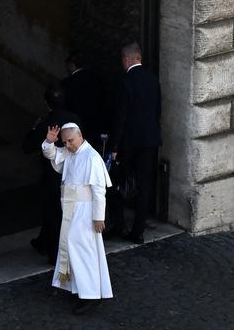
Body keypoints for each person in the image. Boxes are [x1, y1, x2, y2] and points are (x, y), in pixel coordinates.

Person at [42, 121, 113, 311]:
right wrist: (49, 143)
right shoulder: (70, 152)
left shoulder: (91, 157)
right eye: (64, 142)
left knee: (83, 250)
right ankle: (79, 290)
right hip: (71, 208)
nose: (67, 145)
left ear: (80, 136)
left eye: (70, 141)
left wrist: (99, 217)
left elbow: (99, 190)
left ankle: (91, 295)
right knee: (72, 247)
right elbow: (54, 157)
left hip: (85, 210)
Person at [110, 41, 162, 244]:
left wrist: (114, 145)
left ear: (126, 59)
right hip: (149, 141)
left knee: (117, 182)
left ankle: (119, 224)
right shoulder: (153, 80)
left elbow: (120, 118)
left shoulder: (125, 82)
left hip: (129, 143)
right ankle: (138, 230)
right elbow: (157, 111)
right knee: (144, 185)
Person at [22, 85, 81, 265]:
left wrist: (35, 128)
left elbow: (27, 147)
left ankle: (55, 254)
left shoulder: (46, 123)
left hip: (54, 177)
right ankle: (45, 243)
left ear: (46, 103)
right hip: (74, 174)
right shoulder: (75, 119)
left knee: (54, 214)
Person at [61, 52, 105, 148]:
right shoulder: (95, 79)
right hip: (93, 125)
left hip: (75, 126)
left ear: (72, 65)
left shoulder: (67, 83)